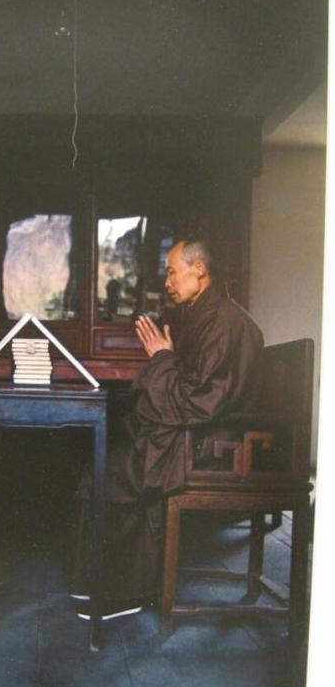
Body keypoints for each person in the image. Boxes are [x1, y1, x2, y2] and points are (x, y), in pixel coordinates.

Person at [69, 238, 264, 620]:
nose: (169, 282)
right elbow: (186, 390)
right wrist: (165, 360)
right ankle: (98, 582)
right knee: (109, 463)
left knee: (121, 470)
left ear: (200, 270)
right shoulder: (205, 317)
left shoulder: (225, 323)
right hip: (198, 432)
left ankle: (129, 592)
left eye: (173, 272)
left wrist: (161, 358)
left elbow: (196, 402)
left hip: (213, 440)